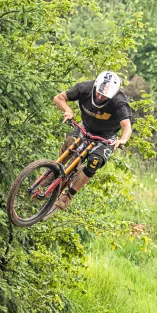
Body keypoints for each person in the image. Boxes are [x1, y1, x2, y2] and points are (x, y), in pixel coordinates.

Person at [51, 70, 134, 210]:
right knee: (69, 142)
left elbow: (127, 126)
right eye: (98, 92)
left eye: (104, 95)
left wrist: (122, 140)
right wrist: (68, 110)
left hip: (106, 137)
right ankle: (54, 171)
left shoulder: (119, 102)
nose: (100, 96)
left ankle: (68, 196)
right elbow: (58, 98)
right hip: (85, 127)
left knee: (95, 161)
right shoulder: (85, 88)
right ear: (96, 85)